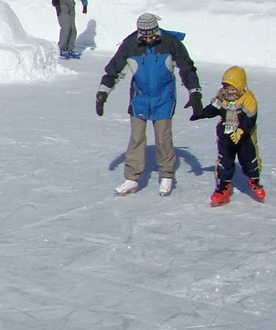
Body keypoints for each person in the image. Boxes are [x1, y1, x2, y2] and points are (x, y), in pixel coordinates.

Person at [95, 13, 203, 196]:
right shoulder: (130, 45)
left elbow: (187, 68)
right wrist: (103, 92)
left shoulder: (170, 43)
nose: (149, 39)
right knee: (137, 138)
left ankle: (167, 175)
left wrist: (195, 93)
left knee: (163, 138)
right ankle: (132, 178)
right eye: (144, 36)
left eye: (152, 35)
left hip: (164, 98)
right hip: (140, 98)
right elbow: (114, 70)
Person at [190, 65, 265, 206]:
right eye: (226, 87)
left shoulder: (248, 99)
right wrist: (201, 113)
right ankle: (224, 187)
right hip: (226, 135)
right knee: (224, 162)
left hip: (244, 137)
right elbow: (214, 108)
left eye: (232, 88)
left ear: (241, 87)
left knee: (250, 160)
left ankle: (254, 180)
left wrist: (241, 131)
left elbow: (250, 119)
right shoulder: (222, 96)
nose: (228, 91)